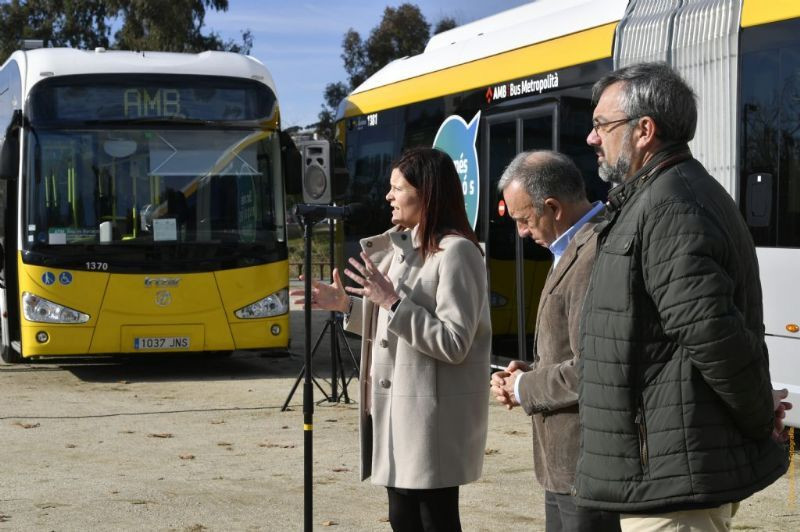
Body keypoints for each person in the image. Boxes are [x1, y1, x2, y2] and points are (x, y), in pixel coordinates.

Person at [574, 61, 788, 531]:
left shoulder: (670, 204)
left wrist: (758, 417)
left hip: (672, 486)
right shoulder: (662, 196)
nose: (592, 138)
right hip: (669, 473)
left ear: (644, 130)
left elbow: (713, 335)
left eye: (601, 126)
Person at [290, 147, 491, 531]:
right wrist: (347, 305)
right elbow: (392, 325)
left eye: (397, 188)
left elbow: (453, 342)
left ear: (426, 193)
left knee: (435, 520)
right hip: (394, 415)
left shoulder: (458, 253)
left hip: (431, 424)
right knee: (402, 519)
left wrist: (393, 302)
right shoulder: (400, 250)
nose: (388, 196)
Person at [490, 150, 619, 532]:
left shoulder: (596, 251)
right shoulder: (571, 247)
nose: (522, 232)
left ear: (552, 207)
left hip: (586, 463)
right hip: (564, 464)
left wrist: (524, 386)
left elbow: (592, 368)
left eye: (524, 220)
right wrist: (530, 371)